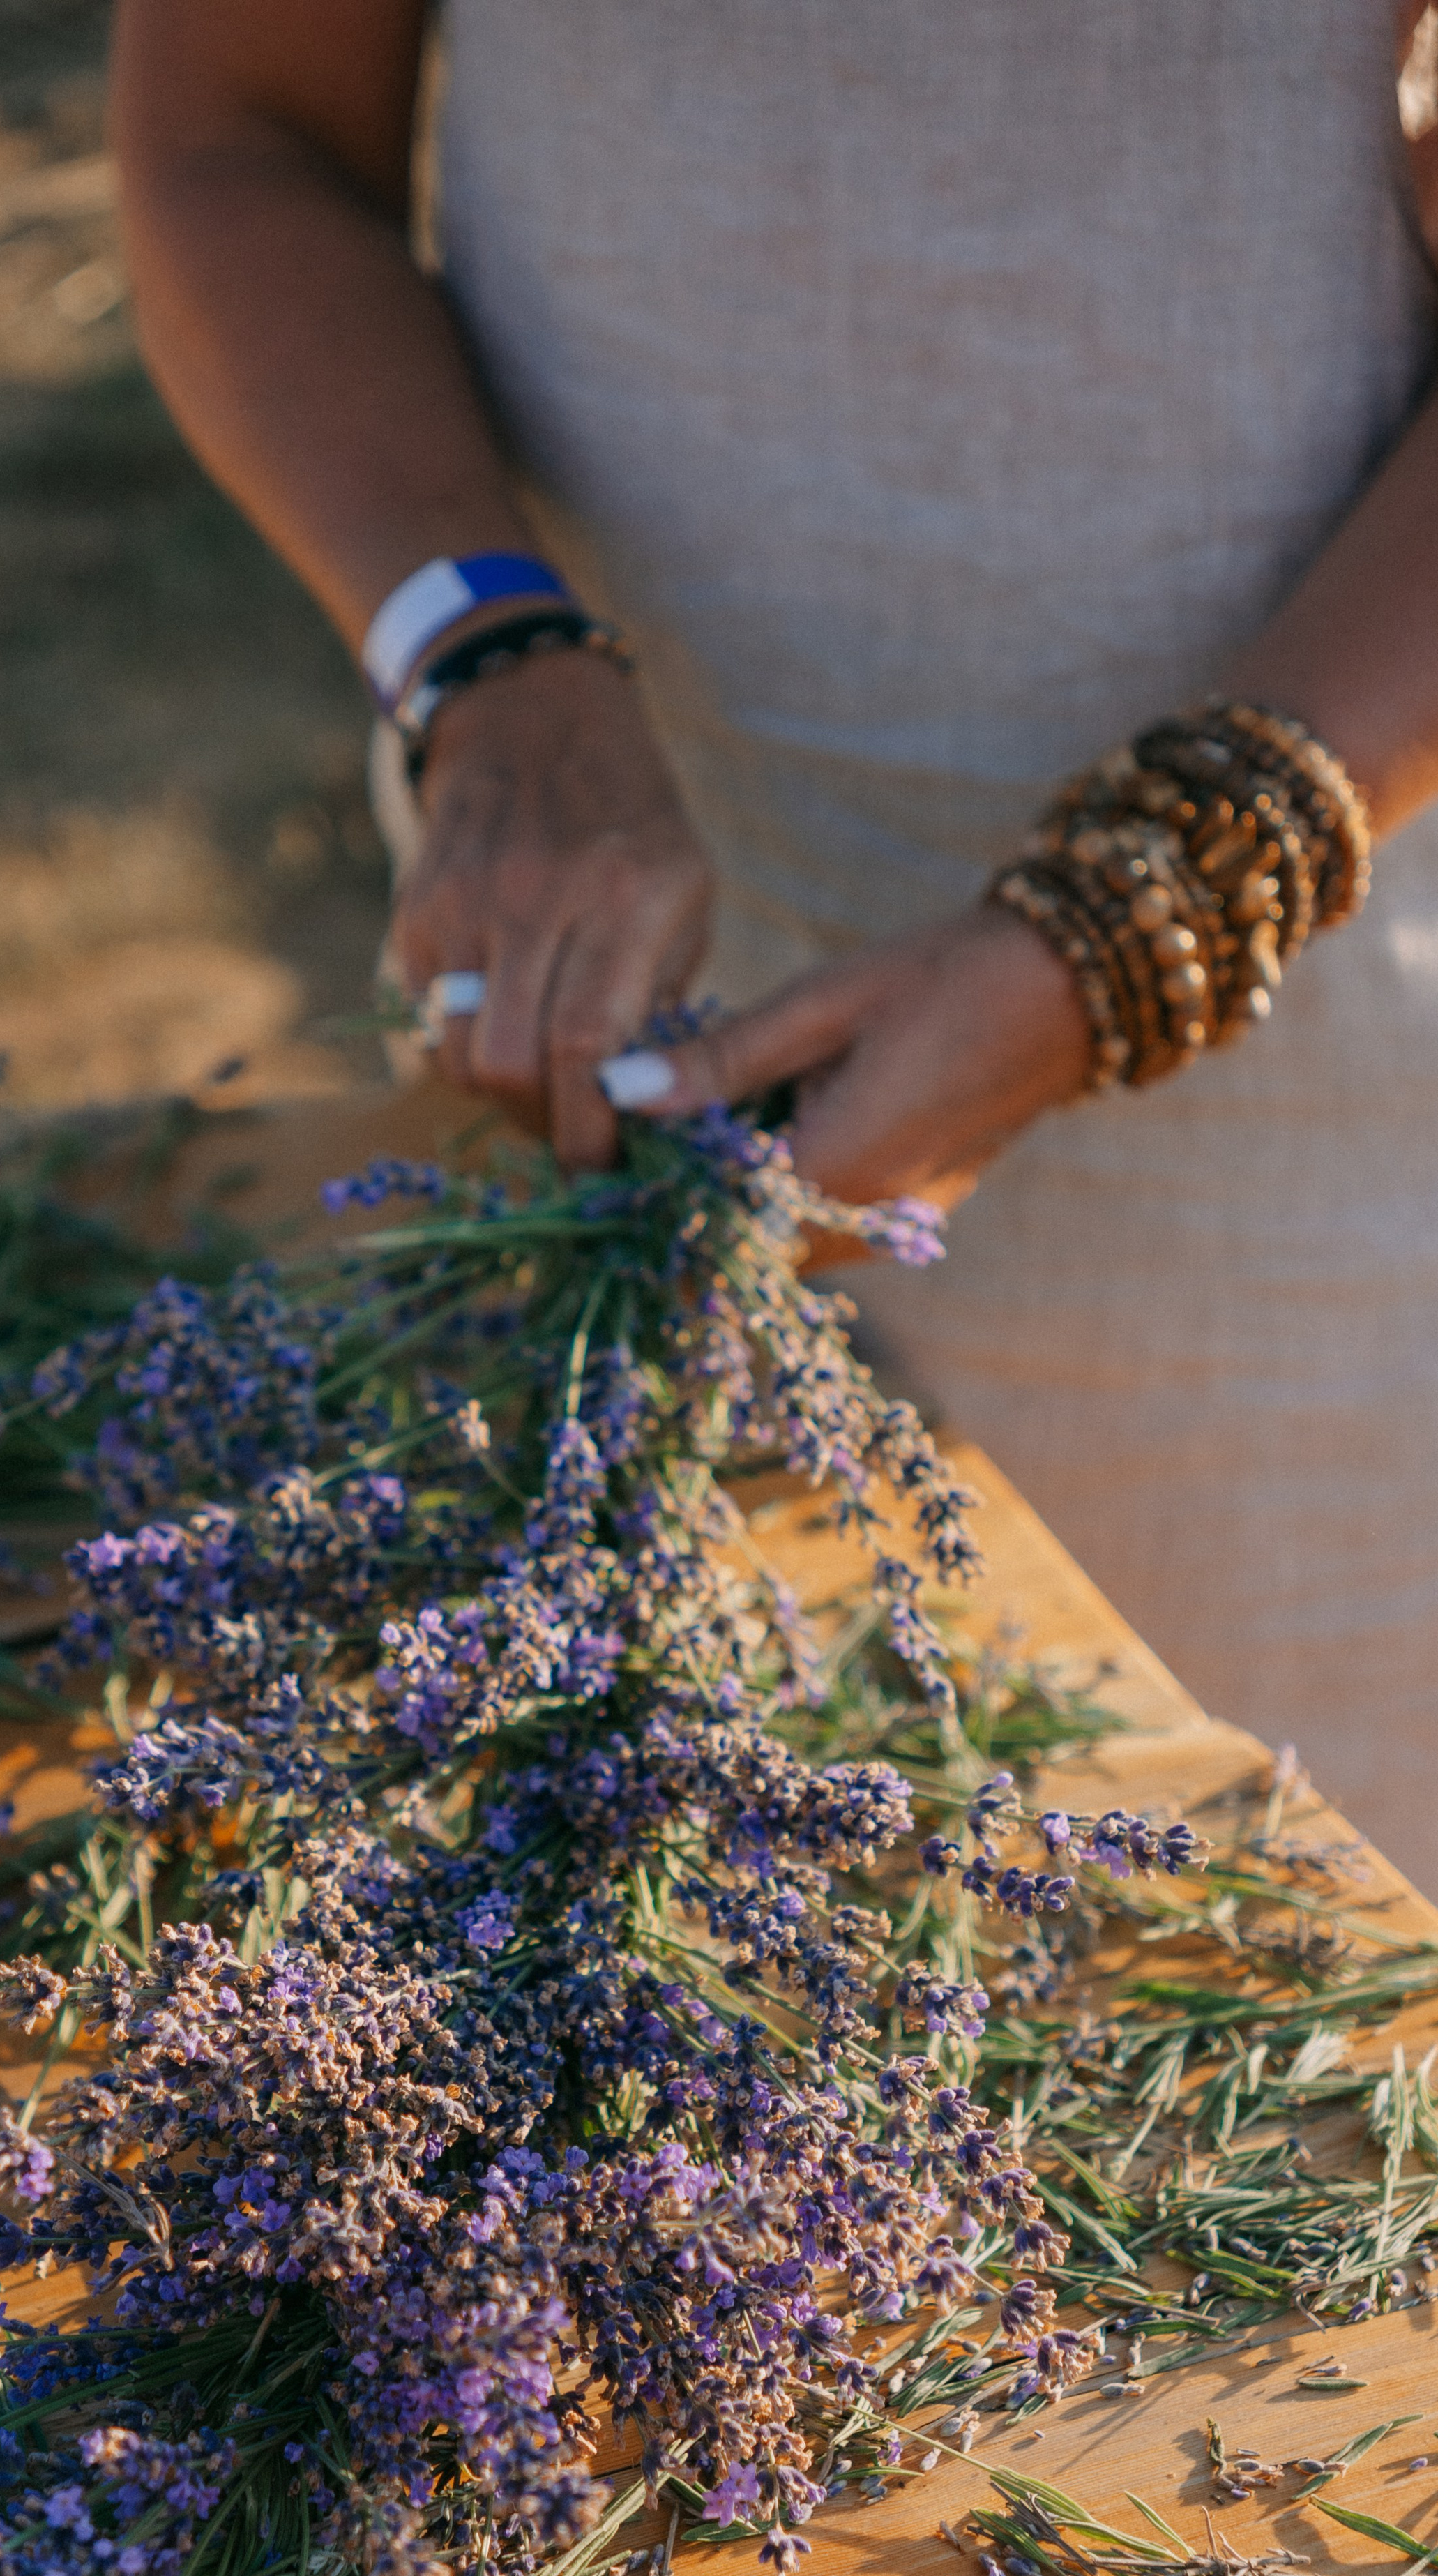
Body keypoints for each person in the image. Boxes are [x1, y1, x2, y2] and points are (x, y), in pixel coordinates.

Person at [111, 1, 1438, 1890]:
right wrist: (478, 649)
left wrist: (1155, 908)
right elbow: (241, 128)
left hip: (1324, 1092)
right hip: (583, 995)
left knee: (1299, 1930)